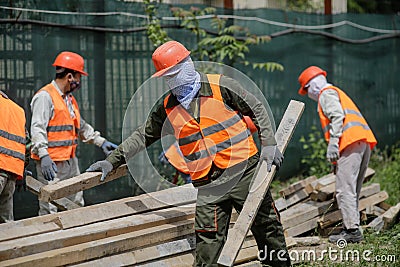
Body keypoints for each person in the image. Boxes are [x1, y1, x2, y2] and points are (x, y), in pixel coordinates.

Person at [87, 40, 290, 266]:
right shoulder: (167, 106)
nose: (171, 80)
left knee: (266, 227)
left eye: (174, 73)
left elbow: (257, 107)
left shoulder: (220, 86)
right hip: (209, 183)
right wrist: (111, 161)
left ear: (188, 64)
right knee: (207, 238)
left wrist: (269, 143)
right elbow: (143, 135)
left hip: (244, 172)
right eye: (167, 76)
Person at [30, 51, 118, 215]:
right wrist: (43, 156)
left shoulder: (68, 99)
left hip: (70, 162)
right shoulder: (45, 97)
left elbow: (80, 126)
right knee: (50, 207)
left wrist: (101, 141)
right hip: (51, 164)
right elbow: (37, 128)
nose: (79, 82)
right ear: (70, 76)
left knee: (75, 203)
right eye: (79, 77)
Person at [297, 66, 377, 243]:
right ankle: (352, 226)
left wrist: (333, 142)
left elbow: (337, 116)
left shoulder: (326, 94)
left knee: (344, 189)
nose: (308, 94)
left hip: (349, 142)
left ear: (312, 86)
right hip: (361, 142)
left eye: (307, 90)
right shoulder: (336, 91)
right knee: (352, 188)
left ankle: (352, 231)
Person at [0, 90, 31, 223]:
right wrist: (21, 169)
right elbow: (27, 144)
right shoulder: (17, 110)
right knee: (6, 223)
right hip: (11, 175)